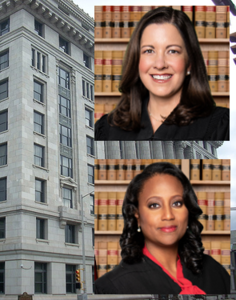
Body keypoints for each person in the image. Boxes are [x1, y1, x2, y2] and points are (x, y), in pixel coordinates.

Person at [95, 7, 229, 141]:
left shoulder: (221, 125)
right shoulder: (108, 129)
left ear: (190, 62)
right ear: (136, 60)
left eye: (172, 51)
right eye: (149, 51)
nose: (160, 64)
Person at [94, 162, 230, 294]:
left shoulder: (214, 270)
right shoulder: (111, 287)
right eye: (154, 205)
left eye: (177, 203)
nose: (168, 215)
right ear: (137, 215)